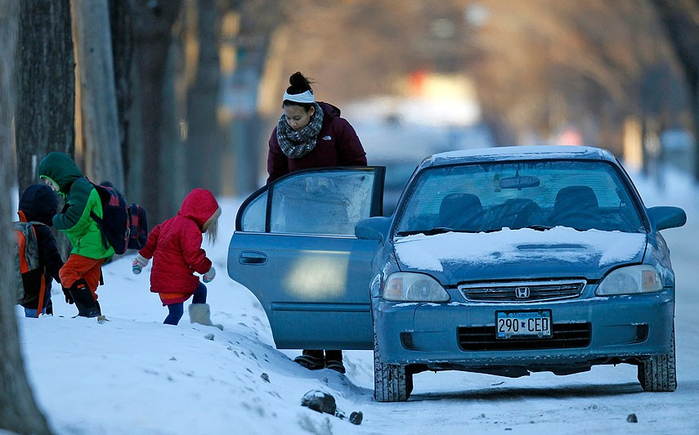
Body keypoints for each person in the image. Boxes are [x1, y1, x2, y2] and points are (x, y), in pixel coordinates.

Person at [267, 71, 368, 373]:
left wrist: (330, 186)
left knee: (331, 284)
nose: (292, 123)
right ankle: (311, 349)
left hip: (334, 220)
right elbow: (276, 177)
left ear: (312, 111)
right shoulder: (279, 135)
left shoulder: (337, 129)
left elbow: (358, 168)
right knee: (305, 285)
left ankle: (334, 353)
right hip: (298, 220)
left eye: (297, 118)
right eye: (288, 117)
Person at [131, 188, 222, 329]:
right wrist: (208, 269)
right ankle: (167, 335)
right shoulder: (190, 229)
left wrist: (141, 259)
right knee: (176, 313)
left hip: (167, 278)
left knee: (200, 290)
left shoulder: (169, 223)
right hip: (174, 281)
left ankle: (201, 325)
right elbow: (193, 256)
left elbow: (151, 241)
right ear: (204, 215)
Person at [38, 152, 113, 318]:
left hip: (91, 244)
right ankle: (93, 317)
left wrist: (55, 219)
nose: (52, 187)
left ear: (60, 174)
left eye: (51, 182)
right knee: (87, 283)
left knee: (67, 272)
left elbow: (73, 219)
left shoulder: (80, 188)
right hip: (96, 245)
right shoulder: (78, 188)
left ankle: (89, 312)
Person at [16, 184, 64, 317]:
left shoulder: (19, 229)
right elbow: (53, 262)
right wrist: (67, 282)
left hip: (19, 285)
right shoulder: (42, 232)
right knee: (38, 323)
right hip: (36, 295)